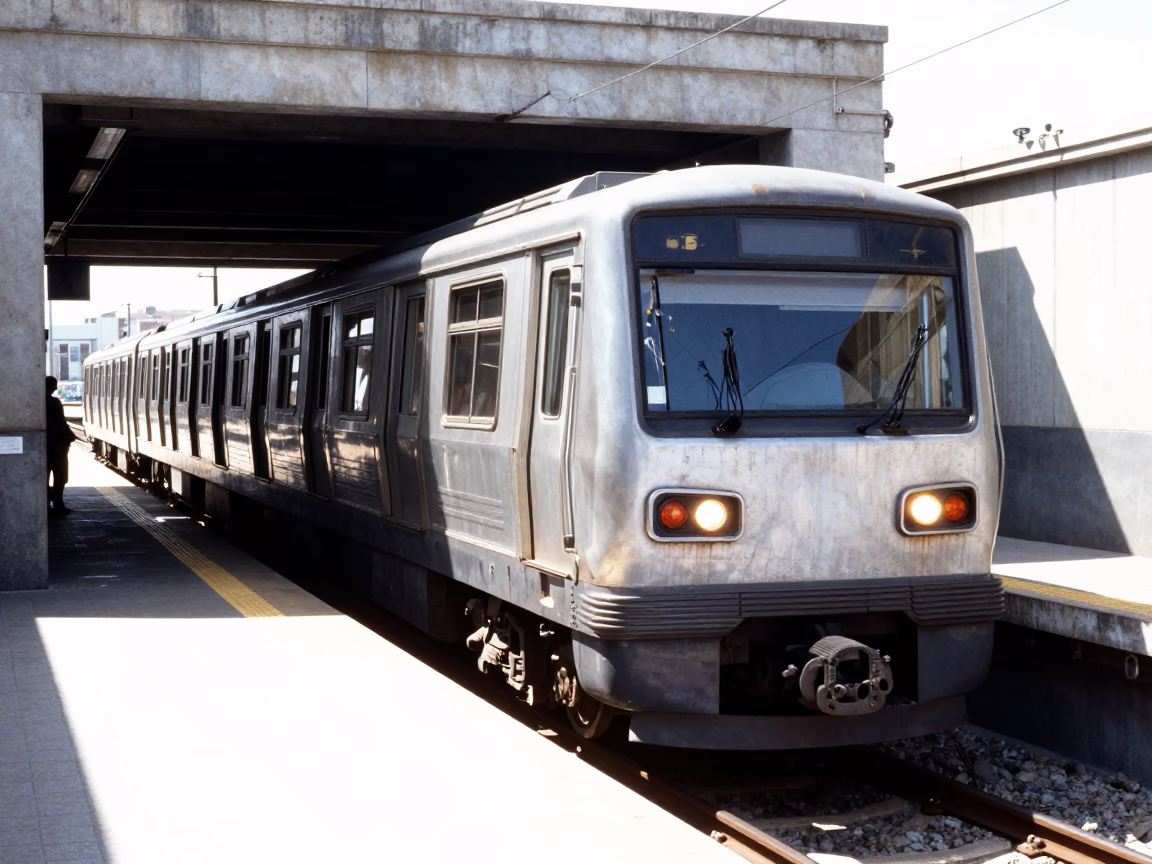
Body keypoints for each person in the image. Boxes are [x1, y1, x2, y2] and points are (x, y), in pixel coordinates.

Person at [45, 376, 77, 516]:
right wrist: (70, 436)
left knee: (43, 478)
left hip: (44, 446)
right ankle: (58, 504)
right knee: (61, 477)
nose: (56, 388)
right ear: (50, 386)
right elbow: (61, 422)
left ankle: (46, 502)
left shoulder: (37, 402)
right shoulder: (54, 402)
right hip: (57, 446)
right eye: (54, 385)